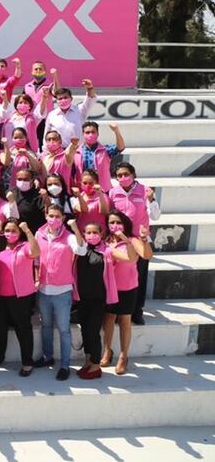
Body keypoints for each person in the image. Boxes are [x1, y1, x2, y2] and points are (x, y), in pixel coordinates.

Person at [72, 218, 134, 380]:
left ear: (101, 234)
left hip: (98, 299)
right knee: (85, 330)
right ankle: (87, 362)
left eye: (95, 232)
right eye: (88, 233)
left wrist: (127, 241)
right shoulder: (80, 250)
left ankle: (95, 365)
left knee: (93, 332)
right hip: (82, 298)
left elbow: (131, 259)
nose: (92, 235)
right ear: (84, 235)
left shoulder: (107, 251)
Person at [33, 205, 85, 380]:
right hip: (43, 290)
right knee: (46, 326)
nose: (53, 219)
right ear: (46, 216)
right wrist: (35, 279)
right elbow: (35, 259)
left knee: (63, 330)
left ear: (63, 218)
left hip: (62, 291)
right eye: (50, 215)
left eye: (57, 216)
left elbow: (81, 250)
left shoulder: (69, 237)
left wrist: (76, 228)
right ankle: (48, 357)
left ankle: (64, 365)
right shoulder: (38, 234)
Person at [107, 162, 160, 325]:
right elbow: (110, 215)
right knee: (120, 276)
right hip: (120, 240)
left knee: (139, 277)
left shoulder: (145, 191)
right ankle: (117, 310)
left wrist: (151, 200)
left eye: (126, 174)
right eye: (119, 176)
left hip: (139, 240)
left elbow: (156, 216)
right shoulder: (113, 192)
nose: (123, 178)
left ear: (133, 175)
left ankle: (136, 311)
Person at [101, 211, 152, 375]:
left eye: (117, 222)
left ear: (125, 224)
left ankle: (124, 356)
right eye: (111, 222)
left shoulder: (132, 240)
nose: (114, 226)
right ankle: (107, 351)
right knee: (108, 318)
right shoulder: (106, 240)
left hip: (127, 288)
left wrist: (139, 239)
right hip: (110, 287)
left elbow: (144, 255)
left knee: (124, 321)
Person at [0, 218, 40, 376]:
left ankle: (27, 362)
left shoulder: (24, 246)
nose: (10, 234)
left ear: (19, 233)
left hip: (21, 297)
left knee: (23, 329)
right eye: (7, 231)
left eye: (14, 231)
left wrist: (27, 231)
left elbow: (36, 252)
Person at [44, 80, 96, 145]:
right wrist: (46, 150)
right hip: (58, 151)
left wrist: (90, 88)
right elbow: (47, 134)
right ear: (56, 101)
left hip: (77, 150)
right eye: (60, 99)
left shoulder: (80, 110)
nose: (63, 100)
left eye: (65, 97)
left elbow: (90, 99)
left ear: (71, 98)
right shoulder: (52, 115)